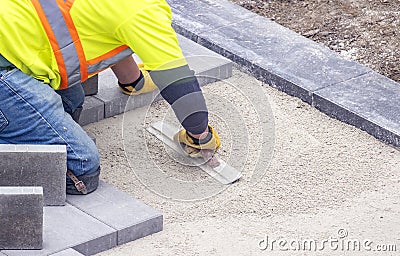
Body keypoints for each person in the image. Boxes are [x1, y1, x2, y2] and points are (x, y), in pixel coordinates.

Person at [0, 0, 220, 195]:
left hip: (12, 47)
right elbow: (180, 85)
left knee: (71, 101)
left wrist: (134, 81)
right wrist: (200, 134)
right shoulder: (143, 10)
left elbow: (110, 22)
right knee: (81, 166)